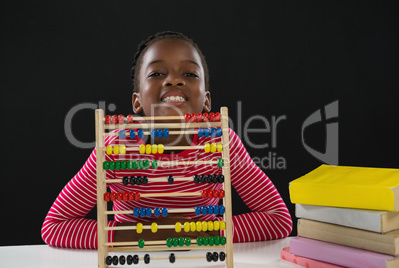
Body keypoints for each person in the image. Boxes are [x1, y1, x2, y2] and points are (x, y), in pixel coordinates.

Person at [41, 31, 292, 249]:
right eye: (157, 73)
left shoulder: (221, 143)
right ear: (137, 101)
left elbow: (278, 219)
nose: (174, 79)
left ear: (206, 100)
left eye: (190, 74)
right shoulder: (115, 150)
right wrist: (159, 233)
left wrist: (189, 231)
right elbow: (54, 227)